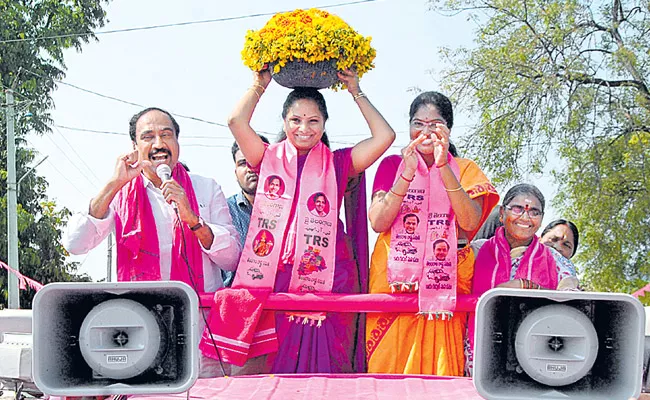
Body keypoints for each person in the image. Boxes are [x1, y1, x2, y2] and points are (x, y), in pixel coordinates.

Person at [223, 67, 395, 374]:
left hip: (330, 278)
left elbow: (385, 136)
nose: (304, 128)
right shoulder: (265, 158)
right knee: (276, 374)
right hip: (277, 276)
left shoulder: (340, 163)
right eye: (296, 120)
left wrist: (355, 89)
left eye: (313, 120)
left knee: (328, 371)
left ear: (325, 123)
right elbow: (236, 122)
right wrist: (258, 85)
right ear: (285, 121)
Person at [62, 108, 241, 376]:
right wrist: (113, 184)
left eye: (166, 135)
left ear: (177, 144)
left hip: (200, 330)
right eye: (148, 137)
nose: (159, 145)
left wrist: (192, 218)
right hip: (138, 329)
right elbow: (75, 244)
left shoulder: (205, 187)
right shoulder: (121, 193)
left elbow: (232, 258)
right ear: (134, 147)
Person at [366, 91, 499, 376]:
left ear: (448, 129)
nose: (426, 132)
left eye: (435, 124)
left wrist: (443, 168)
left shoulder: (466, 169)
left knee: (441, 374)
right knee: (387, 375)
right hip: (394, 285)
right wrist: (407, 173)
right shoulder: (393, 164)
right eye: (418, 123)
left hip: (444, 287)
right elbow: (378, 221)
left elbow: (469, 223)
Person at [467, 184, 580, 375]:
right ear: (502, 213)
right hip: (476, 353)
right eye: (518, 209)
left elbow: (569, 296)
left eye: (534, 212)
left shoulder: (555, 259)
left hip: (532, 357)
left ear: (541, 219)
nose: (525, 217)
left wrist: (524, 287)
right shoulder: (478, 251)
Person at [225, 135, 270, 287]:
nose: (250, 168)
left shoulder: (290, 210)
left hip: (280, 301)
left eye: (256, 162)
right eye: (243, 163)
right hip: (235, 301)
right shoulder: (223, 210)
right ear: (235, 172)